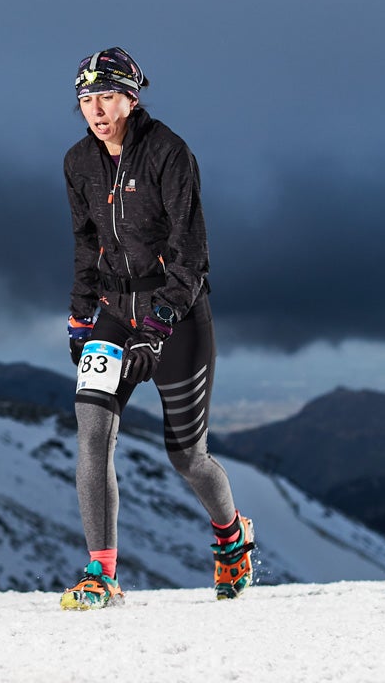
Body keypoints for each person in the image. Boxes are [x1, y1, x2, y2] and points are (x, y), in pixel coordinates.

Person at [58, 47, 254, 609]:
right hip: (115, 313)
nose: (96, 110)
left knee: (186, 456)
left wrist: (158, 325)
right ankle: (102, 574)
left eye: (106, 98)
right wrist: (80, 313)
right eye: (86, 100)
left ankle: (231, 536)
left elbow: (191, 256)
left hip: (177, 315)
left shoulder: (169, 154)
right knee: (92, 439)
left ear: (131, 97)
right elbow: (84, 244)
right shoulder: (78, 163)